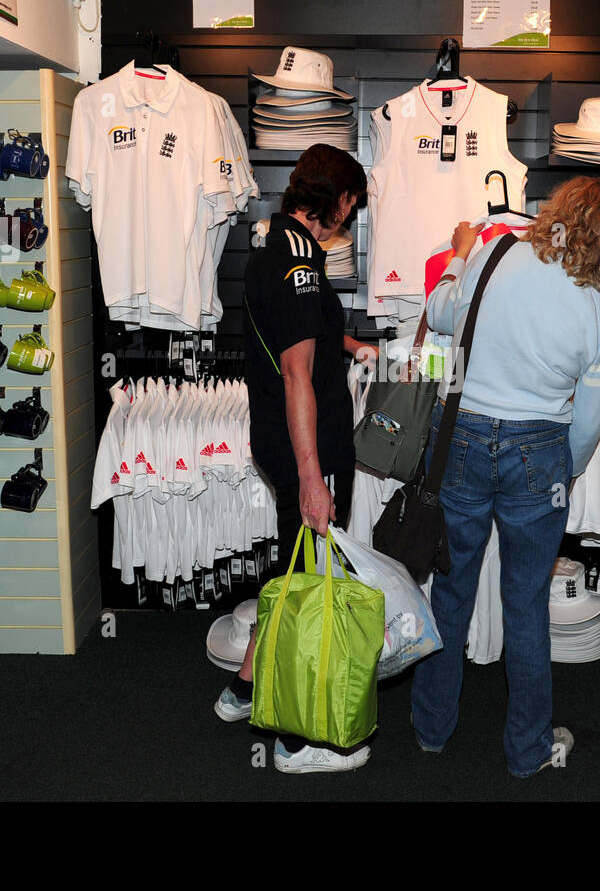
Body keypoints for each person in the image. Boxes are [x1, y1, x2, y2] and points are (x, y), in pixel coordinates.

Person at [411, 175, 600, 778]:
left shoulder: (495, 254)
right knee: (526, 605)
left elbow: (438, 313)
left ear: (556, 212)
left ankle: (431, 731)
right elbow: (586, 426)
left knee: (449, 591)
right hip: (539, 451)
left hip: (463, 439)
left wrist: (457, 254)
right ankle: (527, 750)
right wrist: (566, 472)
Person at [214, 143, 378, 774]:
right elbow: (296, 371)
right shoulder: (303, 257)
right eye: (351, 204)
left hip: (278, 440)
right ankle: (296, 739)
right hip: (307, 448)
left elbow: (294, 327)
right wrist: (314, 477)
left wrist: (349, 341)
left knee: (290, 566)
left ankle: (244, 688)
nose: (351, 216)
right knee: (311, 581)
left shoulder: (273, 247)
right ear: (334, 200)